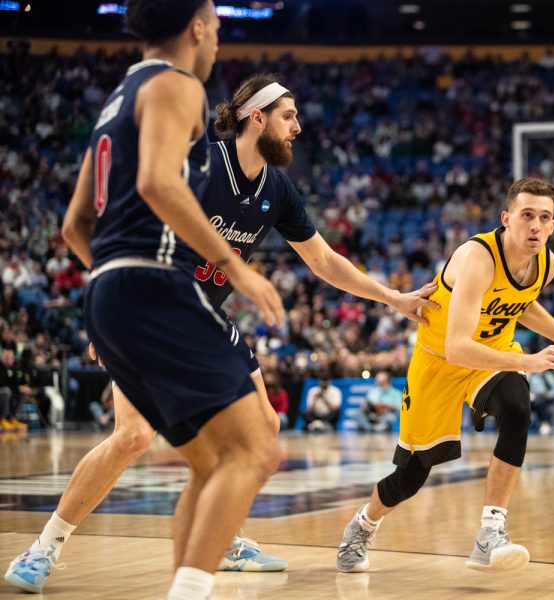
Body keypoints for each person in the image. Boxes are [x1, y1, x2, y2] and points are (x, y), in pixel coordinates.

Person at [5, 68, 438, 594]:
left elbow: (323, 260)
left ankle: (226, 538)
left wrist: (392, 298)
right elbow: (122, 224)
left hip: (205, 316)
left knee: (263, 430)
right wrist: (108, 308)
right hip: (149, 306)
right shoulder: (202, 161)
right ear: (256, 118)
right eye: (289, 116)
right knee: (134, 436)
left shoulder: (276, 187)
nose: (299, 127)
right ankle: (43, 548)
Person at [336, 177, 554, 574]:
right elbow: (458, 347)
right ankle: (363, 525)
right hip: (440, 360)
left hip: (489, 356)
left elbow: (520, 305)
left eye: (545, 218)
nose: (536, 226)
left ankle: (490, 533)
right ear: (506, 218)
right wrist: (529, 362)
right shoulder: (478, 258)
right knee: (411, 476)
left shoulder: (547, 263)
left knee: (517, 407)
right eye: (527, 216)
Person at [528, 370, 554, 435]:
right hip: (532, 398)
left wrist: (548, 394)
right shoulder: (531, 376)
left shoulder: (547, 375)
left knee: (540, 401)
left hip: (546, 397)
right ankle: (543, 423)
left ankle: (544, 423)